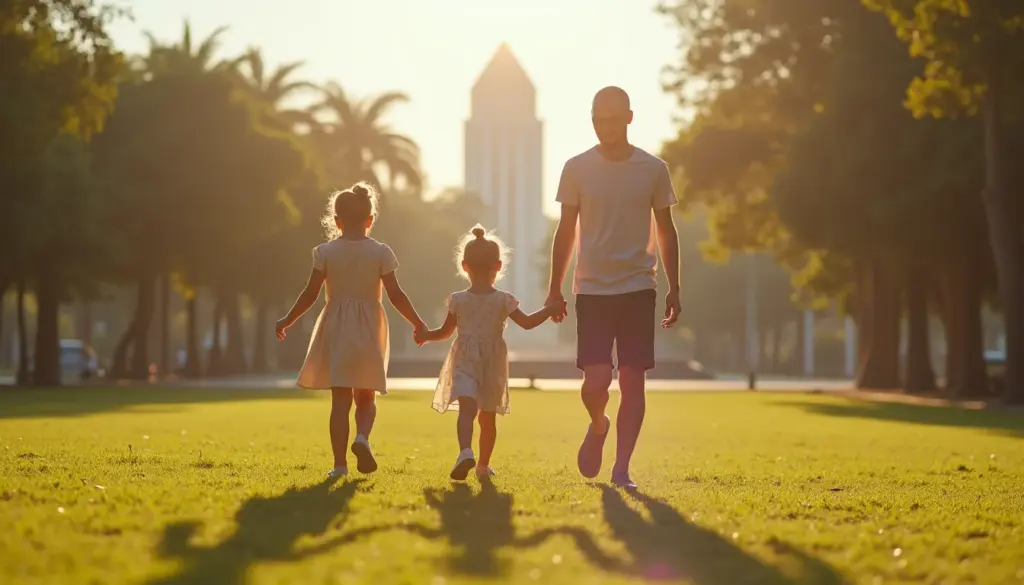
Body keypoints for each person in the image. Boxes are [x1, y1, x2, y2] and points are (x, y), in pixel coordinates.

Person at [546, 86, 681, 490]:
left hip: (639, 286)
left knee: (633, 379)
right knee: (596, 381)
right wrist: (555, 287)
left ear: (629, 117)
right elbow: (566, 229)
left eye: (612, 118)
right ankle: (599, 423)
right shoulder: (576, 168)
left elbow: (667, 230)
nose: (604, 126)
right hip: (591, 289)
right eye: (597, 119)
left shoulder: (653, 169)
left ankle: (622, 469)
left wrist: (675, 287)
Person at [276, 182, 426, 479]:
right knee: (366, 397)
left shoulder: (326, 252)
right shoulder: (381, 252)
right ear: (370, 220)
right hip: (370, 327)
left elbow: (310, 294)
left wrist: (287, 319)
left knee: (340, 401)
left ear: (337, 220)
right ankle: (363, 438)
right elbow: (396, 295)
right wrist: (417, 323)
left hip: (337, 328)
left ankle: (339, 465)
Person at [415, 226, 566, 480]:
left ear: (464, 266)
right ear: (498, 266)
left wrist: (426, 335)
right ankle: (483, 466)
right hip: (493, 362)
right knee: (487, 418)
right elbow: (527, 323)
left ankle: (465, 451)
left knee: (466, 410)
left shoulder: (458, 300)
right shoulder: (503, 300)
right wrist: (550, 310)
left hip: (464, 359)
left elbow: (445, 331)